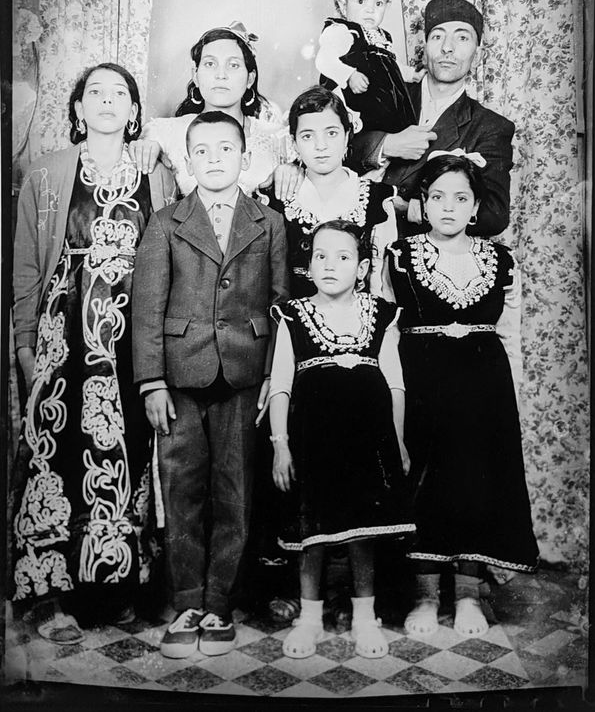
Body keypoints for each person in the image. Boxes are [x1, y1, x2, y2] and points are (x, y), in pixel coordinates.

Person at [11, 63, 177, 643]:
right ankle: (50, 598)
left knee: (125, 454)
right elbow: (28, 268)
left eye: (121, 94)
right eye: (95, 93)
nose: (108, 101)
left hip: (130, 340)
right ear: (78, 108)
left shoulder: (157, 175)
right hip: (64, 343)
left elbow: (171, 261)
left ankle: (115, 589)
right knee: (55, 456)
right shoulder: (47, 173)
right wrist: (28, 346)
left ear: (134, 111)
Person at [131, 111, 289, 658]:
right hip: (179, 377)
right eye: (203, 151)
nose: (215, 158)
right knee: (181, 489)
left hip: (245, 376)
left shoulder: (268, 223)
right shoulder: (165, 222)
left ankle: (220, 602)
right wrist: (151, 381)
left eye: (227, 149)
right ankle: (187, 601)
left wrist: (272, 375)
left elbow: (281, 305)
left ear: (245, 158)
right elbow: (147, 308)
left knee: (236, 491)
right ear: (188, 161)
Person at [386, 153, 539, 638]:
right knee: (424, 486)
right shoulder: (399, 257)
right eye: (437, 198)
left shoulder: (500, 261)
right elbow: (387, 332)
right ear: (423, 205)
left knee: (477, 484)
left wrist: (507, 401)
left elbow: (509, 334)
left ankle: (470, 595)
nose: (448, 207)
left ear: (475, 208)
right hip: (423, 384)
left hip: (483, 388)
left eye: (460, 198)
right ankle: (426, 597)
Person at [269, 220, 413, 659]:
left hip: (368, 441)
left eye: (344, 257)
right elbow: (280, 384)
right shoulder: (292, 315)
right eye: (321, 257)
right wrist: (280, 444)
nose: (331, 265)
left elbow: (395, 382)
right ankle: (309, 617)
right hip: (313, 441)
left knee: (361, 532)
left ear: (363, 266)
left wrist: (400, 441)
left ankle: (365, 616)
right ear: (308, 265)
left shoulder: (381, 315)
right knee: (312, 534)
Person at [350, 0, 515, 238]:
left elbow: (494, 215)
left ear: (477, 57)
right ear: (425, 48)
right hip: (356, 244)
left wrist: (419, 209)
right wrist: (386, 145)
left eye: (461, 37)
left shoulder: (491, 127)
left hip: (421, 258)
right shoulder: (384, 92)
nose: (447, 47)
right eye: (437, 36)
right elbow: (334, 147)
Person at [128, 22, 298, 198]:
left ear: (250, 78)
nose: (221, 75)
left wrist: (296, 171)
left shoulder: (277, 139)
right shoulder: (164, 133)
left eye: (233, 65)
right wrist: (143, 147)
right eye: (210, 64)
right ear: (195, 74)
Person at [260, 85, 399, 299]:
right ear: (294, 143)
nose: (321, 145)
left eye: (331, 133)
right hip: (292, 325)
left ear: (346, 137)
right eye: (307, 136)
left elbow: (382, 285)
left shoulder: (377, 199)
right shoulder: (276, 198)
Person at [315, 0, 420, 136]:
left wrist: (411, 74)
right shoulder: (343, 31)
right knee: (361, 137)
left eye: (378, 3)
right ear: (343, 4)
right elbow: (324, 60)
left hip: (386, 108)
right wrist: (348, 75)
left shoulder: (382, 36)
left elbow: (391, 67)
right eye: (361, 1)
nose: (370, 9)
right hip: (358, 107)